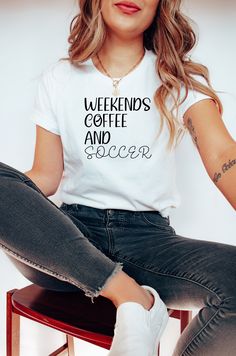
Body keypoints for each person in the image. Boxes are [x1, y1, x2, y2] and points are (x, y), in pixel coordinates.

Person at [0, 0, 236, 355]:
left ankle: (131, 297)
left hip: (150, 243)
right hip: (68, 238)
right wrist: (16, 207)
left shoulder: (180, 80)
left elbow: (222, 156)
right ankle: (133, 299)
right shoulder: (60, 78)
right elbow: (46, 177)